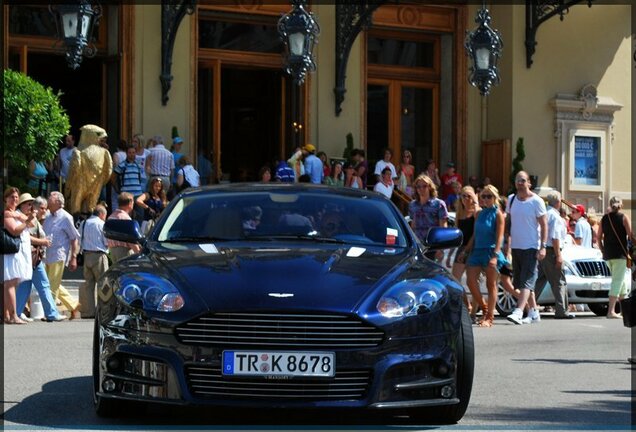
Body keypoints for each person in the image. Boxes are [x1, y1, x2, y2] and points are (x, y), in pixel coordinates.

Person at [504, 171, 548, 325]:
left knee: (526, 281)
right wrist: (506, 244)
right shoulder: (511, 199)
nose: (520, 183)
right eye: (517, 180)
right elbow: (508, 222)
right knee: (521, 281)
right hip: (516, 246)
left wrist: (543, 247)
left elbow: (544, 225)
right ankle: (534, 312)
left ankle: (518, 311)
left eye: (523, 180)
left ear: (529, 183)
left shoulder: (537, 201)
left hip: (531, 247)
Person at [14, 195, 67, 322]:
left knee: (28, 285)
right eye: (28, 204)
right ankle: (51, 313)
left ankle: (17, 311)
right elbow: (25, 235)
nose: (30, 206)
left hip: (32, 257)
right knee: (40, 284)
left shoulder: (27, 217)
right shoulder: (19, 216)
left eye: (31, 204)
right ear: (21, 205)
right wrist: (42, 242)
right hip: (29, 256)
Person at [464, 185, 510, 327]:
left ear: (495, 198)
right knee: (470, 281)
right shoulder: (479, 213)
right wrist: (466, 250)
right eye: (483, 196)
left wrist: (495, 255)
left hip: (491, 251)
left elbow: (500, 237)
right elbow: (475, 234)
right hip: (477, 251)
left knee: (491, 285)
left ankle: (489, 317)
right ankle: (484, 309)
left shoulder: (498, 214)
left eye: (489, 196)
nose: (486, 199)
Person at [534, 190, 574, 320]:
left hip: (542, 249)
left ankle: (526, 307)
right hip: (551, 251)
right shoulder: (556, 217)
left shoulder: (545, 213)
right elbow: (556, 237)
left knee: (539, 281)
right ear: (558, 202)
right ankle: (562, 310)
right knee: (559, 281)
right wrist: (558, 255)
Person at [42, 191, 82, 320]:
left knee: (51, 285)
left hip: (59, 255)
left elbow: (74, 238)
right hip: (47, 255)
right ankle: (73, 304)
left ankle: (51, 313)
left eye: (51, 197)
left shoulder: (66, 217)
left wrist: (73, 257)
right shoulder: (47, 216)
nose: (48, 199)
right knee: (52, 283)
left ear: (59, 202)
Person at [3, 187, 35, 324]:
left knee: (11, 283)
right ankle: (14, 315)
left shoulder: (13, 214)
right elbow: (15, 231)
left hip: (15, 252)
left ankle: (7, 316)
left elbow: (32, 224)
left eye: (16, 197)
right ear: (5, 199)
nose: (14, 199)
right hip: (9, 251)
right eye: (11, 197)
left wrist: (22, 218)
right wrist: (25, 220)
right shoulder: (6, 214)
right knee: (10, 283)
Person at [597, 196, 632, 318]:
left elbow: (598, 237)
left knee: (621, 281)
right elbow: (630, 235)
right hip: (620, 254)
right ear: (621, 205)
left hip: (608, 255)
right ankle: (610, 311)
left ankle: (625, 311)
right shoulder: (624, 217)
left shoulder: (604, 218)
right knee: (617, 281)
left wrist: (602, 250)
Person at [447, 186, 479, 314]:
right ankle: (468, 304)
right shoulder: (460, 213)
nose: (466, 199)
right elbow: (457, 234)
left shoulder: (476, 212)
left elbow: (475, 233)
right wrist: (450, 253)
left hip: (474, 247)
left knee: (473, 281)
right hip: (461, 247)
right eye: (463, 196)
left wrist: (467, 250)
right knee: (455, 279)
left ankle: (474, 311)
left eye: (468, 196)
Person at [78, 204, 109, 319]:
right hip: (99, 255)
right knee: (103, 284)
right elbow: (106, 242)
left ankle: (88, 312)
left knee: (88, 285)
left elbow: (79, 238)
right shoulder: (101, 224)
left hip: (86, 256)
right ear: (101, 214)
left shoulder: (84, 223)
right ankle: (102, 311)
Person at [408, 174, 448, 261]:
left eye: (424, 186)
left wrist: (440, 249)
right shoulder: (412, 205)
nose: (421, 189)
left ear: (430, 187)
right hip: (417, 246)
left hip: (433, 245)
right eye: (418, 187)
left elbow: (443, 228)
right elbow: (413, 226)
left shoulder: (439, 204)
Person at [107, 193, 142, 263]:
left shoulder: (110, 217)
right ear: (130, 203)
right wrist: (138, 253)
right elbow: (130, 239)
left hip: (113, 251)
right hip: (124, 252)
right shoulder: (126, 219)